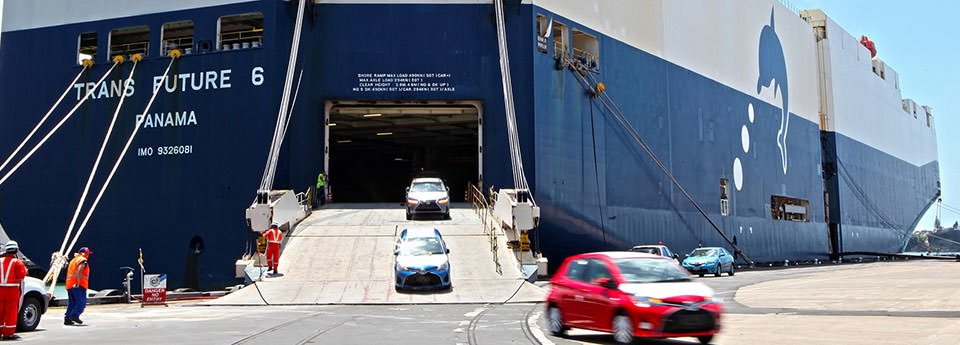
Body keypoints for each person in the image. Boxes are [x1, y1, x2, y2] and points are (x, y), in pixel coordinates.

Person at [0, 241, 26, 340]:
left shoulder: (0, 261)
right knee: (11, 312)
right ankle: (8, 333)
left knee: (1, 311)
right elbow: (21, 275)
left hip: (0, 289)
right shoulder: (17, 263)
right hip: (12, 290)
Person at [65, 247, 92, 326]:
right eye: (86, 253)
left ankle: (67, 319)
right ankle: (74, 315)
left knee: (72, 303)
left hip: (70, 284)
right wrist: (78, 282)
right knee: (81, 303)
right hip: (78, 285)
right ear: (81, 253)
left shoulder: (73, 260)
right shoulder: (82, 260)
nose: (88, 255)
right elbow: (80, 269)